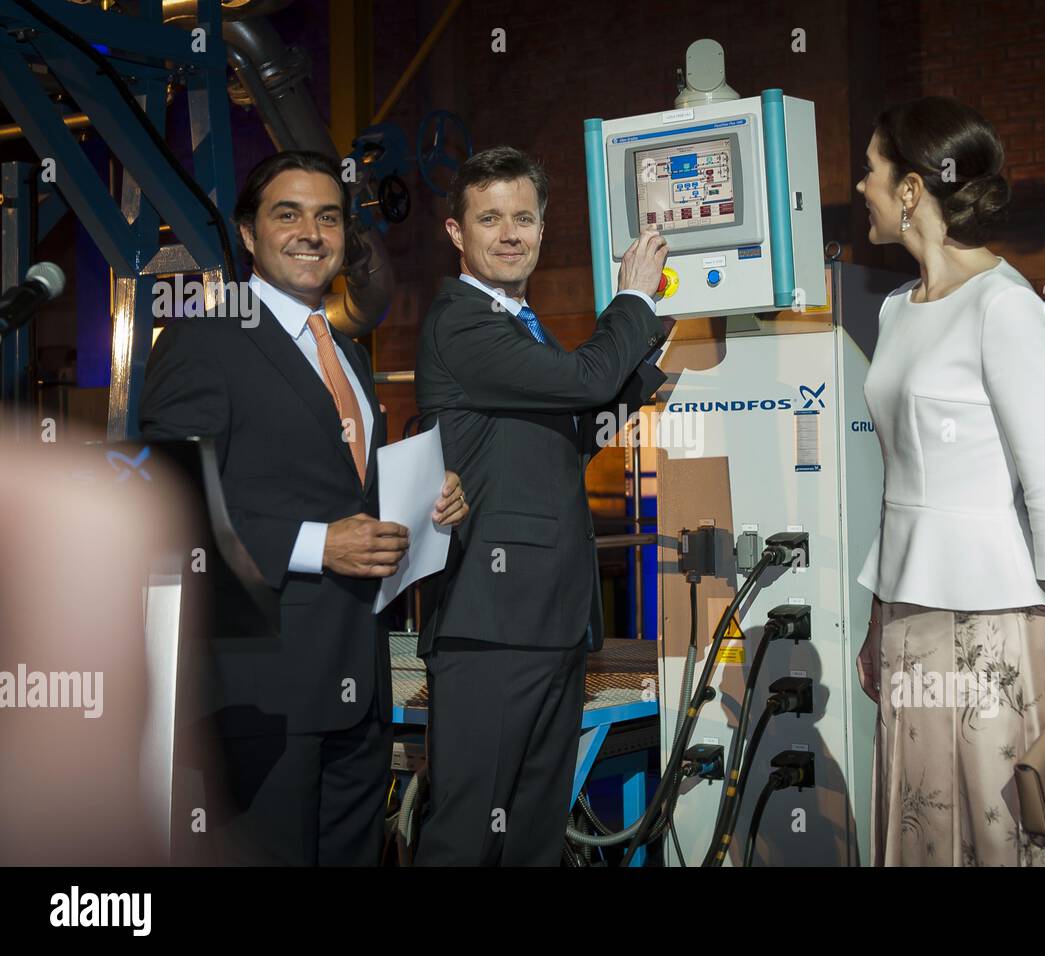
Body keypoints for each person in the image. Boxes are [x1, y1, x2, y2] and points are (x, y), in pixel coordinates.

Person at [140, 150, 467, 865]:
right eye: (287, 214)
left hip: (357, 684)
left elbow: (345, 498)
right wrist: (314, 545)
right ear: (249, 235)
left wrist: (422, 504)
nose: (311, 232)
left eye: (328, 217)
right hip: (257, 689)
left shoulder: (349, 354)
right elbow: (167, 506)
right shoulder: (203, 343)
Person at [853, 97, 1045, 866]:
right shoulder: (896, 310)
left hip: (993, 620)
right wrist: (875, 617)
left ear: (910, 190)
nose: (859, 185)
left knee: (1002, 828)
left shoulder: (1007, 307)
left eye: (871, 169)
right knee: (919, 823)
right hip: (908, 616)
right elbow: (898, 483)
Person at [414, 145, 668, 865]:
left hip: (551, 619)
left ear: (543, 227)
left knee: (530, 834)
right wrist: (634, 299)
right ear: (457, 233)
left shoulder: (521, 322)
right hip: (491, 623)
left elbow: (569, 435)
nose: (509, 233)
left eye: (523, 217)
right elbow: (583, 379)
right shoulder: (464, 321)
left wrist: (640, 374)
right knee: (467, 837)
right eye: (489, 218)